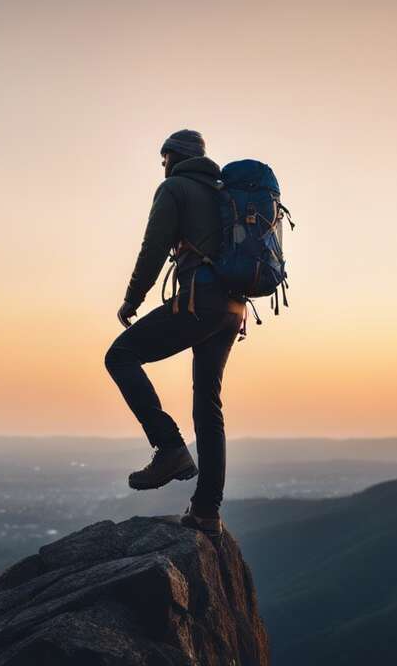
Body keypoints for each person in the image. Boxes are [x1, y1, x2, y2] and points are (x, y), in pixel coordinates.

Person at [105, 129, 243, 537]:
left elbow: (152, 248)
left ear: (171, 157)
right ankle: (206, 512)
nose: (162, 165)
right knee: (208, 404)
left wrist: (132, 300)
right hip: (233, 309)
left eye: (163, 158)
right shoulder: (224, 192)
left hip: (198, 301)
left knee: (120, 356)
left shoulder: (175, 188)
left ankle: (168, 448)